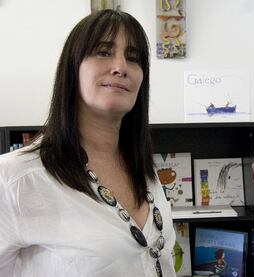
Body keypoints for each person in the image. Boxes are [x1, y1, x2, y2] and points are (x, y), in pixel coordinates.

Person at [0, 10, 176, 277]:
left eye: (133, 58)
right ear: (73, 68)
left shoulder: (143, 169)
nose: (121, 67)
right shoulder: (16, 178)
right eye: (103, 52)